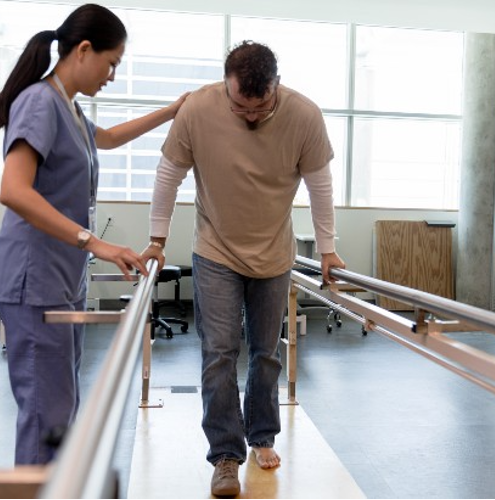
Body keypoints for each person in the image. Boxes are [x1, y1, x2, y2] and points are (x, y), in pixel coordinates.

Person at [142, 40, 345, 497]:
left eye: (261, 106)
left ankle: (261, 436)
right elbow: (168, 174)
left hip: (274, 253)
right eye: (240, 106)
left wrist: (329, 249)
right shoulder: (197, 109)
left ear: (277, 86)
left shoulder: (305, 115)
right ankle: (226, 455)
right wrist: (156, 239)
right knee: (219, 351)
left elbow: (320, 186)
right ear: (226, 86)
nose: (251, 116)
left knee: (266, 351)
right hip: (215, 250)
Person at [0, 3, 188, 465]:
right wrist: (95, 242)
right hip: (34, 280)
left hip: (61, 281)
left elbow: (110, 138)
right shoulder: (39, 102)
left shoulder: (72, 112)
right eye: (112, 63)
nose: (111, 75)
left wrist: (174, 110)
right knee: (47, 412)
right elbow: (12, 188)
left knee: (61, 406)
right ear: (84, 50)